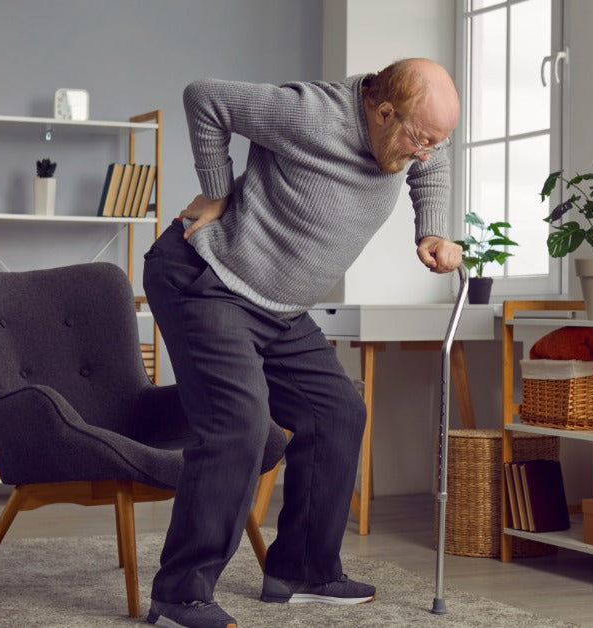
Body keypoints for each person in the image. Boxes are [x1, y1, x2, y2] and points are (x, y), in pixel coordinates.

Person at [142, 57, 462, 628]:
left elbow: (429, 167)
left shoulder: (414, 138)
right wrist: (216, 191)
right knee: (240, 423)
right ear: (382, 111)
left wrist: (432, 227)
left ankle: (302, 572)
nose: (425, 153)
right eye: (419, 137)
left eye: (436, 142)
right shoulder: (312, 114)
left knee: (338, 412)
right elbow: (205, 95)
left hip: (280, 308)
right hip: (207, 279)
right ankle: (179, 594)